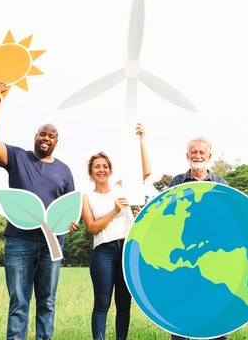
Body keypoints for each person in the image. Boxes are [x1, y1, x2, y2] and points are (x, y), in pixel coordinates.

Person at [0, 82, 78, 340]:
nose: (46, 138)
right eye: (42, 134)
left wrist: (71, 222)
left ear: (57, 141)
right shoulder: (18, 158)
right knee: (19, 302)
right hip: (19, 241)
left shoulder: (65, 171)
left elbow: (70, 209)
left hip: (52, 245)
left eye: (51, 136)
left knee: (47, 302)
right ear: (35, 137)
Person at [81, 123, 151, 340]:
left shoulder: (122, 188)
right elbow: (92, 228)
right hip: (103, 252)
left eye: (105, 166)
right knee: (102, 303)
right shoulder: (87, 197)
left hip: (126, 250)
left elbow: (146, 171)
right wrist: (114, 210)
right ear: (91, 172)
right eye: (97, 167)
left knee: (124, 303)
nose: (101, 170)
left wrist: (141, 141)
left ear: (110, 170)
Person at [168, 135, 226, 340]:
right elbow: (166, 215)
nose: (198, 155)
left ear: (209, 155)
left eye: (202, 152)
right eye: (194, 152)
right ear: (187, 155)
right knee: (181, 298)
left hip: (212, 252)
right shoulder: (177, 182)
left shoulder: (220, 183)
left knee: (215, 297)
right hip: (184, 251)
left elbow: (227, 217)